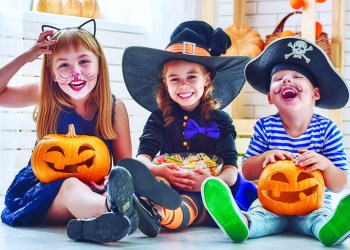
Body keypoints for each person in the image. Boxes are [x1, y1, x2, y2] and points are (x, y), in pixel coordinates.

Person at [0, 19, 180, 243]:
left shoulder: (113, 108)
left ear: (99, 64)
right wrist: (26, 57)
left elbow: (124, 164)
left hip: (94, 190)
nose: (75, 72)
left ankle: (105, 220)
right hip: (44, 194)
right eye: (63, 65)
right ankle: (117, 207)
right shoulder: (46, 94)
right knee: (71, 185)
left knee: (112, 188)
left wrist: (109, 181)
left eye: (84, 61)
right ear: (52, 73)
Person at [201, 36, 350, 246]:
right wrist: (265, 157)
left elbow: (340, 184)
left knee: (319, 220)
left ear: (315, 93)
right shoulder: (265, 128)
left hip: (313, 206)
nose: (287, 80)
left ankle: (332, 229)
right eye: (278, 79)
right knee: (259, 216)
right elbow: (248, 171)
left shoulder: (328, 131)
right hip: (270, 204)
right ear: (270, 96)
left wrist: (325, 165)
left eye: (297, 76)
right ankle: (240, 223)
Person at [121, 20, 258, 231]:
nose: (183, 85)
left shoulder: (220, 121)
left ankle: (162, 214)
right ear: (165, 84)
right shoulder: (159, 118)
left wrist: (211, 182)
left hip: (209, 187)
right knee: (155, 185)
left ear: (207, 79)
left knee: (196, 201)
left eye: (191, 77)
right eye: (174, 79)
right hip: (168, 180)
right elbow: (142, 158)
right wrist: (159, 170)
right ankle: (142, 206)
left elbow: (231, 170)